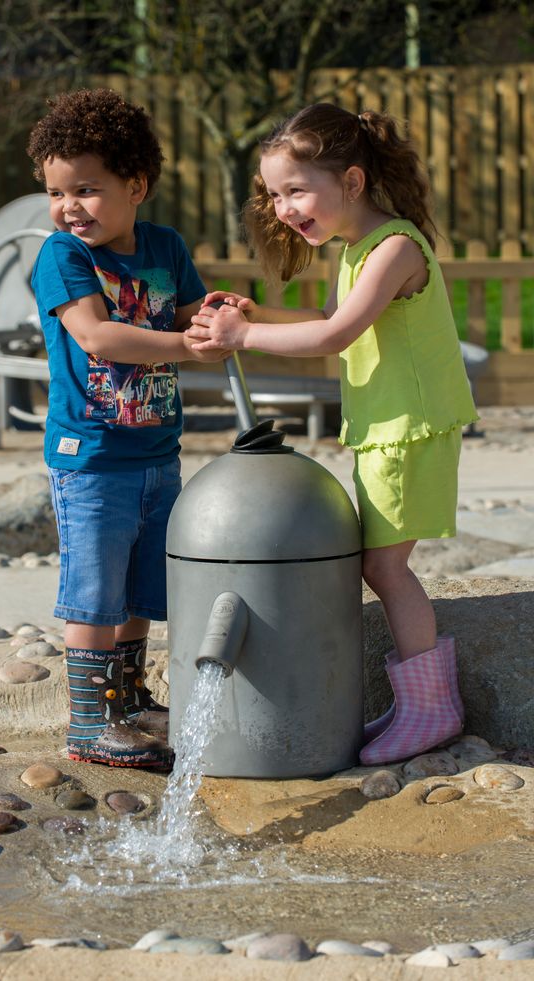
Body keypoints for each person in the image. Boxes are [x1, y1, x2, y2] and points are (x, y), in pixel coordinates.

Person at [186, 102, 478, 766]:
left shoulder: (397, 246)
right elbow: (326, 315)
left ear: (350, 180)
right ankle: (414, 703)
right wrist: (256, 312)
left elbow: (335, 335)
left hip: (409, 429)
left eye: (295, 189)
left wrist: (244, 336)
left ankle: (432, 708)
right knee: (380, 563)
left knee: (385, 566)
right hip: (386, 430)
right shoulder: (357, 250)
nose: (283, 207)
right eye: (273, 194)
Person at [27, 88, 227, 770]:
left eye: (85, 189)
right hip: (91, 457)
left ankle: (129, 700)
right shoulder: (63, 257)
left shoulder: (165, 247)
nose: (68, 207)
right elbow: (98, 337)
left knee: (141, 587)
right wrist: (188, 348)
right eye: (56, 192)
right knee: (93, 589)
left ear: (136, 184)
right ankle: (87, 723)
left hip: (155, 450)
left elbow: (191, 316)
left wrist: (220, 316)